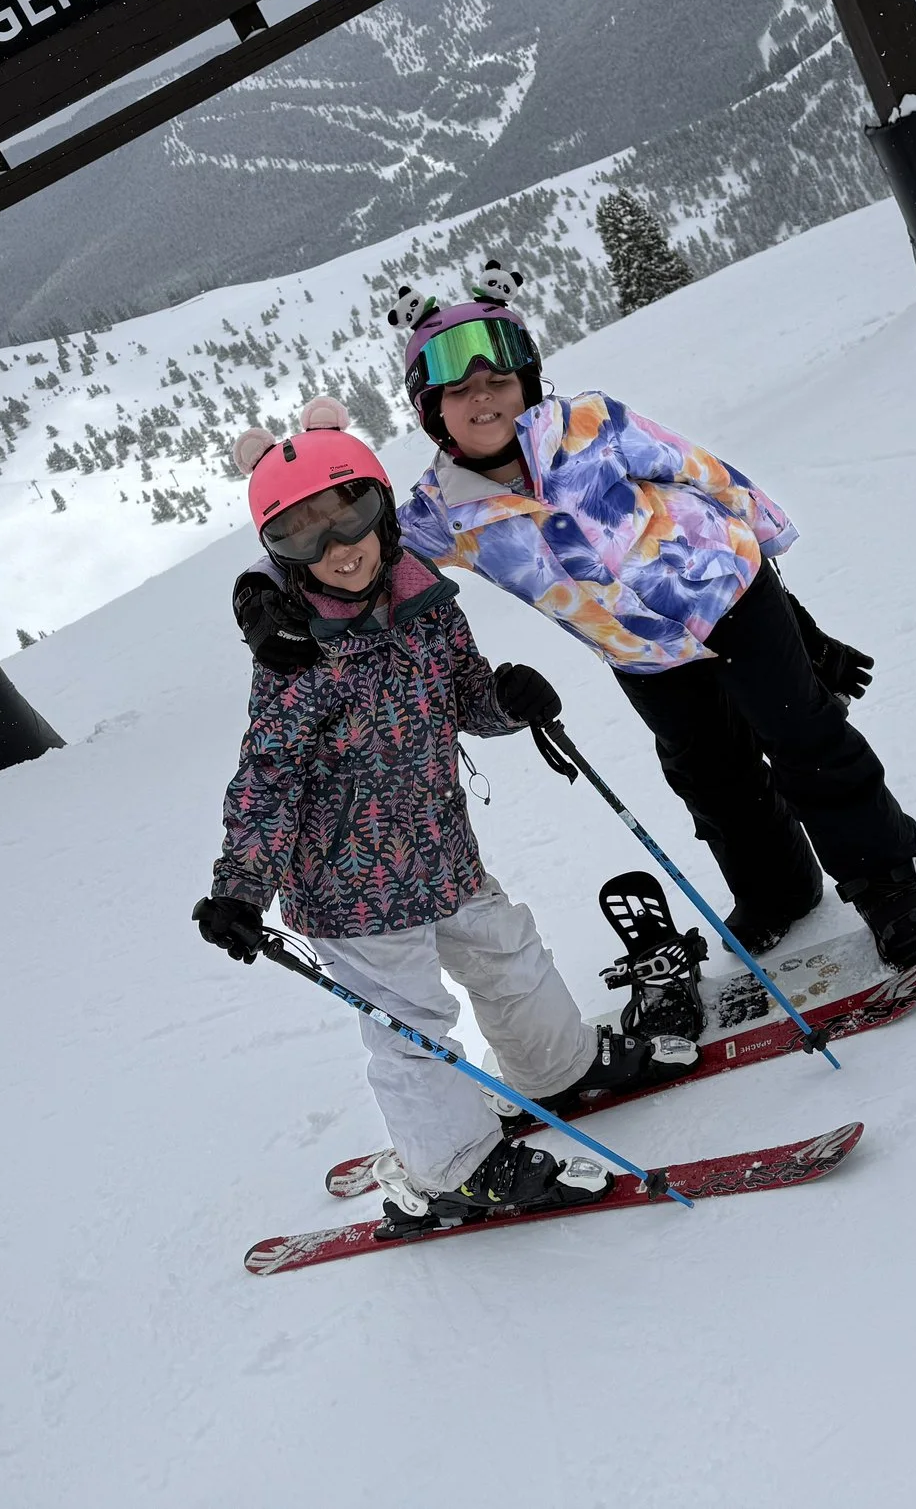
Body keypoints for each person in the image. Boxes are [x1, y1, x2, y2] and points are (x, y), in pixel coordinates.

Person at [232, 264, 916, 980]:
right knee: (710, 775)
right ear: (431, 411)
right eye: (458, 391)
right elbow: (363, 547)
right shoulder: (441, 511)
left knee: (804, 735)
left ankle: (892, 889)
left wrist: (796, 613)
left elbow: (702, 471)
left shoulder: (590, 423)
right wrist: (264, 592)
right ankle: (779, 888)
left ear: (527, 382)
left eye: (497, 381)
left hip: (728, 594)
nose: (481, 398)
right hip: (641, 652)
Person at [194, 398, 695, 1238]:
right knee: (410, 1023)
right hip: (349, 888)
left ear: (380, 507)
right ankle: (451, 1168)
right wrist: (240, 887)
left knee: (506, 950)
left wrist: (504, 698)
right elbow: (267, 777)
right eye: (300, 538)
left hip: (438, 846)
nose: (336, 549)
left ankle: (557, 1067)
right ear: (276, 553)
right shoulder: (295, 653)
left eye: (347, 516)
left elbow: (463, 694)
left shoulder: (425, 601)